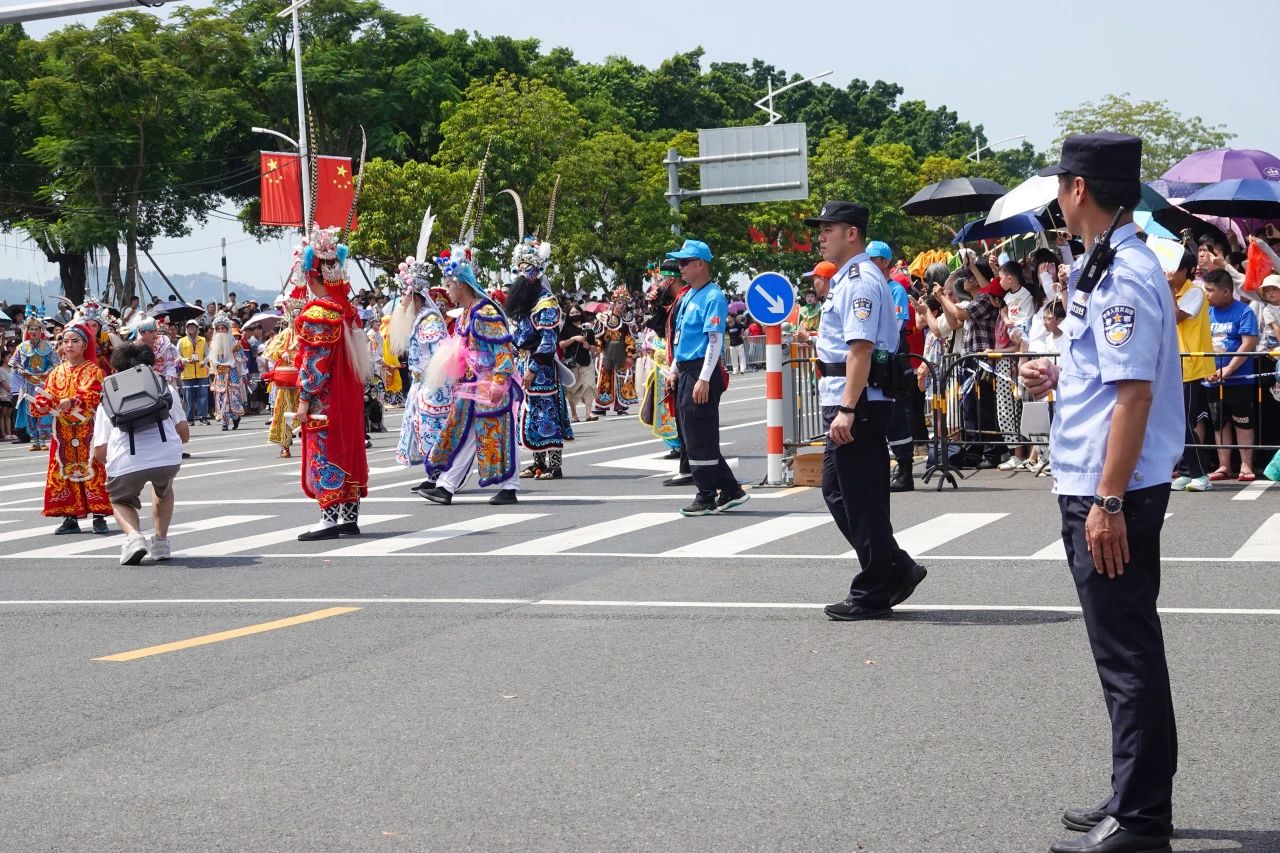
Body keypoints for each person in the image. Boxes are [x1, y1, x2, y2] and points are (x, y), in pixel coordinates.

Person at [1020, 132, 1182, 853]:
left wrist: (1108, 501)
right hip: (1095, 482)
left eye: (1060, 183)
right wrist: (1057, 377)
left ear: (1079, 187)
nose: (1058, 195)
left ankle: (1142, 818)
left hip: (1109, 491)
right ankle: (1130, 793)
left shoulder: (1123, 272)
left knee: (1128, 653)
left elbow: (1137, 397)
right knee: (1120, 649)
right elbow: (1108, 376)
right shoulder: (1100, 262)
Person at [803, 201, 926, 620]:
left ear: (851, 233)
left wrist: (847, 409)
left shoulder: (859, 281)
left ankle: (876, 587)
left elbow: (860, 349)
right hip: (849, 398)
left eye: (827, 229)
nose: (820, 235)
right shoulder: (846, 279)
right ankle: (894, 566)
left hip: (859, 402)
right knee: (840, 492)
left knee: (860, 497)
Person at [421, 251, 521, 506]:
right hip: (474, 384)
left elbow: (503, 350)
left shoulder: (484, 312)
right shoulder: (467, 312)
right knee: (466, 433)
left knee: (493, 433)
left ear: (462, 284)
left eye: (449, 284)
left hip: (490, 384)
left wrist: (499, 380)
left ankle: (455, 485)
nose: (447, 290)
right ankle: (447, 485)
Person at [294, 226, 373, 540]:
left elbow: (315, 364)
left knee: (323, 449)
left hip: (326, 397)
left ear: (311, 277)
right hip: (348, 393)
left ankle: (328, 518)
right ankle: (349, 516)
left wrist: (303, 399)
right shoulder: (346, 310)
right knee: (349, 446)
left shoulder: (319, 313)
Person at [663, 239, 747, 517]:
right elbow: (681, 338)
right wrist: (674, 369)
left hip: (702, 369)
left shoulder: (713, 297)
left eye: (685, 262)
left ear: (701, 264)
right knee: (692, 433)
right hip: (687, 368)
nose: (680, 268)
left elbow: (713, 341)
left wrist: (704, 378)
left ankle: (706, 494)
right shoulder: (688, 296)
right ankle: (731, 490)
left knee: (699, 435)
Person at [92, 343, 189, 565]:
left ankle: (134, 537)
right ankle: (161, 542)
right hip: (167, 455)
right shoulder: (165, 388)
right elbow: (183, 434)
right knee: (163, 489)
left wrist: (112, 465)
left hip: (127, 458)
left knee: (120, 500)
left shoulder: (108, 397)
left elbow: (100, 451)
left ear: (115, 370)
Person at [29, 322, 113, 535]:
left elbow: (94, 394)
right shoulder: (57, 372)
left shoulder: (94, 370)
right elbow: (45, 396)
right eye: (65, 341)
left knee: (93, 469)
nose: (69, 345)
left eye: (75, 341)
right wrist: (40, 404)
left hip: (89, 431)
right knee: (65, 470)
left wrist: (73, 400)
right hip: (63, 433)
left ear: (85, 345)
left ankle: (99, 516)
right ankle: (70, 516)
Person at [507, 237, 574, 480]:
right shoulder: (525, 303)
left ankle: (554, 465)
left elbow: (548, 341)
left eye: (527, 272)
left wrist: (533, 368)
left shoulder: (547, 302)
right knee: (530, 412)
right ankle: (537, 462)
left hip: (542, 367)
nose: (521, 277)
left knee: (548, 413)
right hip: (524, 362)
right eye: (519, 271)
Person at [390, 254, 451, 490]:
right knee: (421, 428)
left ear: (416, 297)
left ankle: (440, 477)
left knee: (433, 429)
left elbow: (439, 355)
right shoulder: (420, 320)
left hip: (433, 384)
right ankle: (434, 475)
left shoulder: (430, 321)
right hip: (420, 384)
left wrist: (433, 383)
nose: (402, 303)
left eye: (405, 297)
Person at [1164, 250, 1216, 493]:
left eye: (1172, 268)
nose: (1168, 272)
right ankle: (1186, 472)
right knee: (1176, 422)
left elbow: (1176, 317)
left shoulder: (1195, 291)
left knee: (1185, 421)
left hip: (1192, 365)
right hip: (1173, 364)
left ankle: (1200, 474)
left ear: (1185, 271)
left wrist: (1169, 289)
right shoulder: (1170, 290)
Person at [1202, 268, 1260, 482]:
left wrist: (1229, 369)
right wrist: (1206, 369)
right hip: (1211, 379)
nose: (1206, 294)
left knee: (1242, 421)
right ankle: (1223, 465)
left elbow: (1249, 343)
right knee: (1218, 423)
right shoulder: (1205, 313)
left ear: (1226, 292)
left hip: (1239, 379)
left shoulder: (1244, 311)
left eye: (1210, 290)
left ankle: (1246, 463)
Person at [639, 259, 684, 459]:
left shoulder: (684, 300)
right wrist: (655, 305)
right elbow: (659, 327)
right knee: (663, 406)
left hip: (679, 364)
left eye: (665, 279)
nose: (662, 283)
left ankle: (684, 448)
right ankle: (677, 447)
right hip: (663, 363)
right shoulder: (669, 303)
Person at [265, 262, 306, 458]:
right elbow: (270, 351)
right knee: (283, 414)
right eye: (294, 314)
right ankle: (285, 444)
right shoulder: (285, 334)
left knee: (308, 413)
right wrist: (281, 354)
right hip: (286, 381)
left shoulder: (308, 333)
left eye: (300, 313)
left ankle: (309, 443)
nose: (297, 317)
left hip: (304, 380)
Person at [9, 308, 58, 450]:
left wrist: (47, 372)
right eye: (31, 329)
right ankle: (35, 440)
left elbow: (57, 363)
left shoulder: (47, 346)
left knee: (43, 409)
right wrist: (22, 371)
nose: (34, 332)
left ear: (41, 330)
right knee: (30, 412)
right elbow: (13, 362)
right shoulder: (22, 347)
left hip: (43, 384)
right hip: (27, 383)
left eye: (37, 329)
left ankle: (43, 441)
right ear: (27, 331)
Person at [593, 288, 638, 416]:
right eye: (619, 303)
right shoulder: (604, 318)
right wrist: (598, 348)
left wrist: (629, 355)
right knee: (605, 378)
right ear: (614, 303)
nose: (622, 306)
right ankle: (602, 405)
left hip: (621, 352)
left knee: (622, 378)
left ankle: (621, 405)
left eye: (624, 304)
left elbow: (629, 339)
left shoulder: (626, 321)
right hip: (607, 351)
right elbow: (598, 336)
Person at [206, 313, 246, 431]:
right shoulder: (213, 343)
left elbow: (241, 359)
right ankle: (225, 421)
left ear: (227, 329)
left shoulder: (234, 343)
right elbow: (211, 359)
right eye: (218, 329)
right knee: (220, 397)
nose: (220, 331)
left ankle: (235, 417)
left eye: (222, 328)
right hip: (219, 375)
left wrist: (241, 372)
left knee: (231, 397)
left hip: (232, 373)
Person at [559, 305, 597, 423]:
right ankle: (574, 414)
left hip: (586, 361)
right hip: (571, 362)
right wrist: (574, 339)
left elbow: (594, 347)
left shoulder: (588, 328)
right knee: (572, 388)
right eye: (572, 313)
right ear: (568, 315)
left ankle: (588, 413)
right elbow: (561, 344)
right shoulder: (565, 328)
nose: (575, 314)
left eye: (577, 312)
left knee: (589, 385)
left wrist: (589, 346)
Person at [177, 320, 210, 425]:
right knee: (188, 397)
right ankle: (189, 418)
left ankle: (203, 416)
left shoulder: (203, 340)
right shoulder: (182, 341)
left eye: (194, 326)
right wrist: (186, 360)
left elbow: (208, 355)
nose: (192, 328)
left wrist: (203, 361)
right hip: (187, 373)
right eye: (189, 326)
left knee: (203, 395)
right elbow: (177, 356)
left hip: (201, 372)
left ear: (197, 328)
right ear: (186, 328)